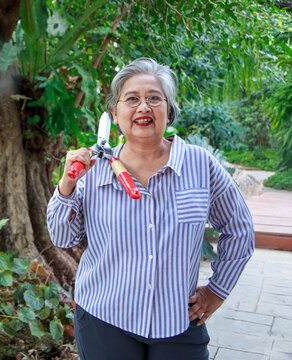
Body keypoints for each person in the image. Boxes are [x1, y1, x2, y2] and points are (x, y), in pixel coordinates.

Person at [46, 58, 254, 360]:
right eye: (131, 99)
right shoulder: (92, 169)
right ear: (115, 115)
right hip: (105, 319)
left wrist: (216, 291)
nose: (143, 106)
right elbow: (62, 237)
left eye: (154, 98)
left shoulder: (200, 164)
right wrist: (67, 183)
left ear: (168, 111)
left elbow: (240, 229)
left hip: (179, 323)